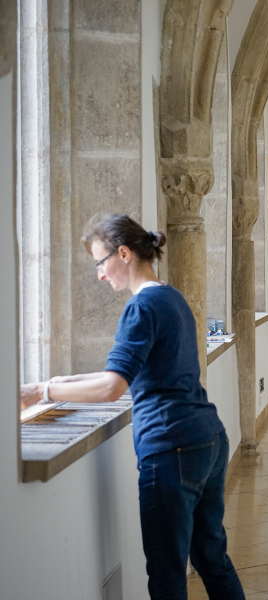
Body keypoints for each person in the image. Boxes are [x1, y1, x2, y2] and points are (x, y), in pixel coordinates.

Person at [19, 214, 244, 600]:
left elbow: (112, 387)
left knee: (167, 575)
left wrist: (43, 395)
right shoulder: (170, 297)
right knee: (211, 557)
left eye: (99, 262)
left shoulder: (140, 308)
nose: (100, 275)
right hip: (208, 438)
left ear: (123, 253)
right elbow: (125, 371)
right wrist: (52, 383)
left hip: (171, 448)